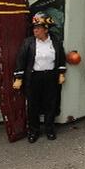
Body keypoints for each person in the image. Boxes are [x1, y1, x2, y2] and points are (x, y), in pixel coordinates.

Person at [13, 12, 66, 143]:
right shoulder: (29, 42)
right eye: (34, 28)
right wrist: (19, 77)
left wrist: (61, 73)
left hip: (50, 77)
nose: (35, 30)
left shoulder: (55, 41)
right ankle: (33, 131)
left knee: (50, 104)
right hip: (34, 77)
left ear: (46, 29)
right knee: (33, 106)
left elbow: (61, 58)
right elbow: (21, 60)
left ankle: (49, 129)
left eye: (38, 28)